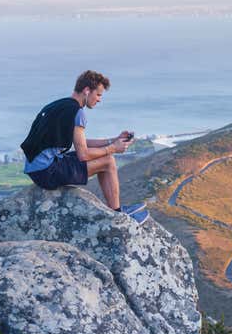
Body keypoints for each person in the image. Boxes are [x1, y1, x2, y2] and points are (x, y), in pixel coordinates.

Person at [20, 70, 149, 223]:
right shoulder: (77, 112)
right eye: (98, 95)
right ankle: (118, 215)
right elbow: (83, 154)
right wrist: (113, 148)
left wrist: (113, 140)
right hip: (47, 172)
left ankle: (117, 210)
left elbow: (81, 142)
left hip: (36, 169)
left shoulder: (58, 105)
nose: (99, 100)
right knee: (108, 161)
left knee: (105, 156)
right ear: (87, 91)